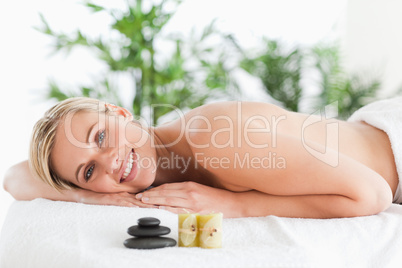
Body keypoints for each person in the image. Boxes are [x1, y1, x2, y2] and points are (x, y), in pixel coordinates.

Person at [3, 97, 398, 219]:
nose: (111, 162)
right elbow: (15, 178)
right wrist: (87, 195)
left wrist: (235, 205)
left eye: (101, 135)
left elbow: (373, 195)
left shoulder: (215, 142)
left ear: (120, 112)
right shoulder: (161, 162)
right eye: (89, 170)